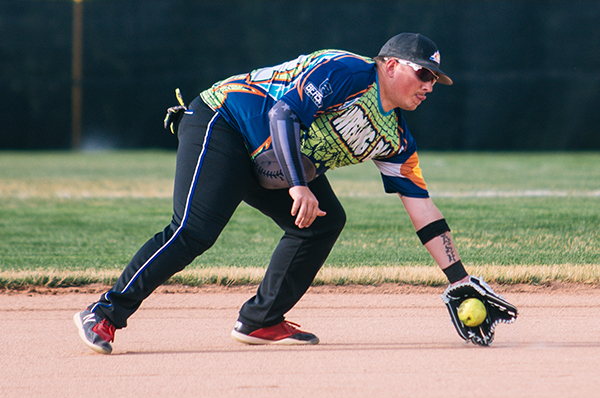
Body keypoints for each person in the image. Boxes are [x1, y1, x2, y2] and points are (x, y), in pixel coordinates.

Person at [73, 32, 496, 354]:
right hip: (224, 123)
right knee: (194, 230)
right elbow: (282, 113)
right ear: (389, 66)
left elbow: (422, 207)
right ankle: (105, 313)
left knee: (322, 223)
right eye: (422, 73)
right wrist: (298, 184)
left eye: (435, 79)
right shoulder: (346, 70)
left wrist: (459, 281)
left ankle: (260, 320)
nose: (429, 84)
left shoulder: (395, 138)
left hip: (278, 160)